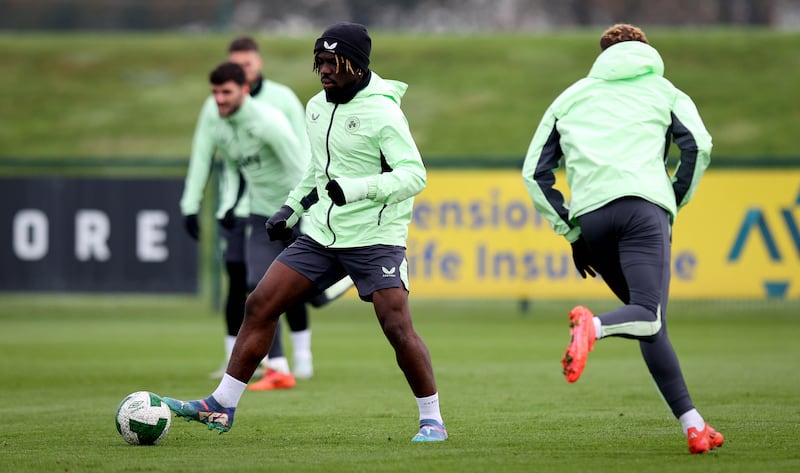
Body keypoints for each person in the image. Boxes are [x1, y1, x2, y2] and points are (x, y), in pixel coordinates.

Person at [164, 22, 447, 443]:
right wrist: (291, 208)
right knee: (260, 302)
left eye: (333, 63)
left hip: (376, 237)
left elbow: (413, 176)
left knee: (395, 325)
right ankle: (222, 404)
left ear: (356, 64)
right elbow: (316, 172)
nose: (325, 71)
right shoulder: (316, 107)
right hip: (323, 236)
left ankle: (432, 420)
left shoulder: (384, 112)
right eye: (320, 62)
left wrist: (357, 189)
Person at [521, 24, 722, 454]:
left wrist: (572, 231)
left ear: (602, 55)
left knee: (649, 322)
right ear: (645, 50)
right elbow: (699, 147)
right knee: (647, 317)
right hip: (641, 211)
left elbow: (533, 173)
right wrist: (672, 202)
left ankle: (694, 425)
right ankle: (591, 326)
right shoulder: (664, 90)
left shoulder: (570, 97)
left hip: (592, 220)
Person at [179, 37, 316, 384]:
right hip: (258, 214)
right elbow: (228, 165)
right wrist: (202, 205)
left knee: (300, 289)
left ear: (247, 84)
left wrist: (303, 210)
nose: (218, 101)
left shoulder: (271, 118)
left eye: (226, 93)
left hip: (292, 209)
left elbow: (303, 165)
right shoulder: (221, 119)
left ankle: (299, 357)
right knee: (254, 286)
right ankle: (276, 366)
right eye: (215, 94)